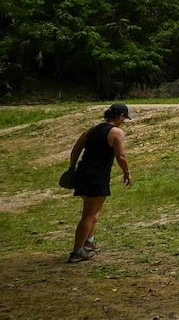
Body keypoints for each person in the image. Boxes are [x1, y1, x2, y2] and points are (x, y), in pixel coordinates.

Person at [65, 103, 132, 263]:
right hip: (97, 176)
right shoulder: (116, 132)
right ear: (121, 116)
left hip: (83, 173)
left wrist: (72, 168)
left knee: (94, 211)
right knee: (88, 215)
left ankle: (89, 243)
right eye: (124, 118)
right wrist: (127, 172)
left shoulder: (91, 130)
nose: (123, 122)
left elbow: (75, 150)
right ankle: (77, 252)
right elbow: (121, 156)